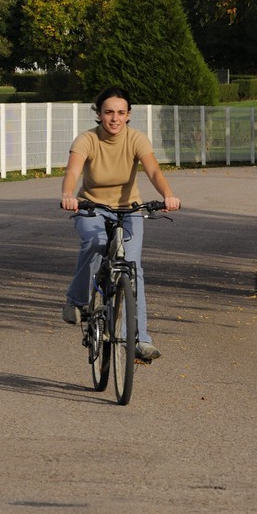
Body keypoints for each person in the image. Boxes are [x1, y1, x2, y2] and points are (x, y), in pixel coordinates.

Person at [59, 86, 181, 361]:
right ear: (99, 114)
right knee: (96, 241)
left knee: (133, 268)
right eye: (109, 112)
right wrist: (68, 195)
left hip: (129, 211)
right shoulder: (87, 140)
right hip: (92, 208)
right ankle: (77, 300)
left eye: (120, 113)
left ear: (128, 115)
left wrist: (168, 195)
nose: (114, 118)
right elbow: (73, 172)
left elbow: (153, 170)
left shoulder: (136, 139)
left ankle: (139, 339)